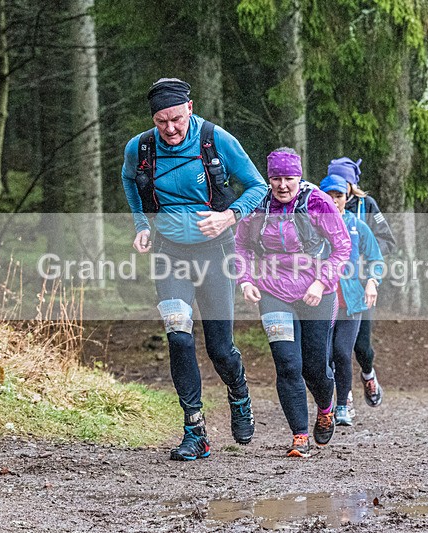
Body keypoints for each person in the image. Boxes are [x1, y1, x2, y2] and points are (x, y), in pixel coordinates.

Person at [121, 78, 267, 461]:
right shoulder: (140, 147)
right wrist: (141, 225)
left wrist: (228, 217)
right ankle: (195, 430)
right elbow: (128, 180)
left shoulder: (216, 139)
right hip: (169, 254)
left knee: (220, 348)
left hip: (215, 253)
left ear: (190, 107)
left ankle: (239, 394)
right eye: (161, 121)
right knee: (178, 336)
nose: (170, 128)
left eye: (176, 118)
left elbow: (257, 186)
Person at [235, 148, 351, 458]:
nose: (282, 185)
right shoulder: (258, 204)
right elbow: (241, 246)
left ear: (298, 177)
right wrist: (245, 279)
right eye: (276, 179)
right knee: (287, 364)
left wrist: (320, 282)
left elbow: (341, 248)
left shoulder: (317, 202)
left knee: (315, 367)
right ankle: (300, 436)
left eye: (288, 178)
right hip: (273, 291)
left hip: (316, 291)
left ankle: (326, 407)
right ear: (269, 179)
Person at [326, 157, 395, 410]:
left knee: (362, 346)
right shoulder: (320, 207)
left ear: (352, 185)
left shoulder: (367, 205)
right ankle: (344, 397)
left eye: (343, 185)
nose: (337, 192)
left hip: (363, 285)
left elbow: (386, 240)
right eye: (332, 186)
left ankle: (368, 375)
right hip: (332, 286)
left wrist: (366, 260)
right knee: (333, 349)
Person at [319, 174, 385, 426]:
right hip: (320, 301)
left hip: (351, 301)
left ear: (347, 198)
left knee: (342, 352)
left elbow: (376, 258)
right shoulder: (312, 225)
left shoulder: (358, 226)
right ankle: (324, 405)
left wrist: (371, 281)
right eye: (329, 196)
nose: (334, 201)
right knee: (322, 357)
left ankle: (343, 405)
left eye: (339, 196)